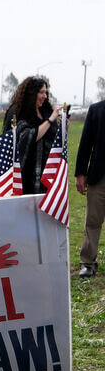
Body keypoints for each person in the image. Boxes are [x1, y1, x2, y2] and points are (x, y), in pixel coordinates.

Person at [6, 77, 62, 195]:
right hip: (24, 173)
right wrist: (50, 120)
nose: (45, 96)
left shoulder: (45, 111)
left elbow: (53, 138)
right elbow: (27, 137)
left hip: (45, 173)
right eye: (41, 92)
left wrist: (63, 128)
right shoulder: (18, 111)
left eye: (46, 92)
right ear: (32, 93)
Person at [74, 100, 105, 277]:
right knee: (93, 220)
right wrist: (80, 173)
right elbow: (86, 143)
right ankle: (88, 263)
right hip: (98, 176)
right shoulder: (96, 110)